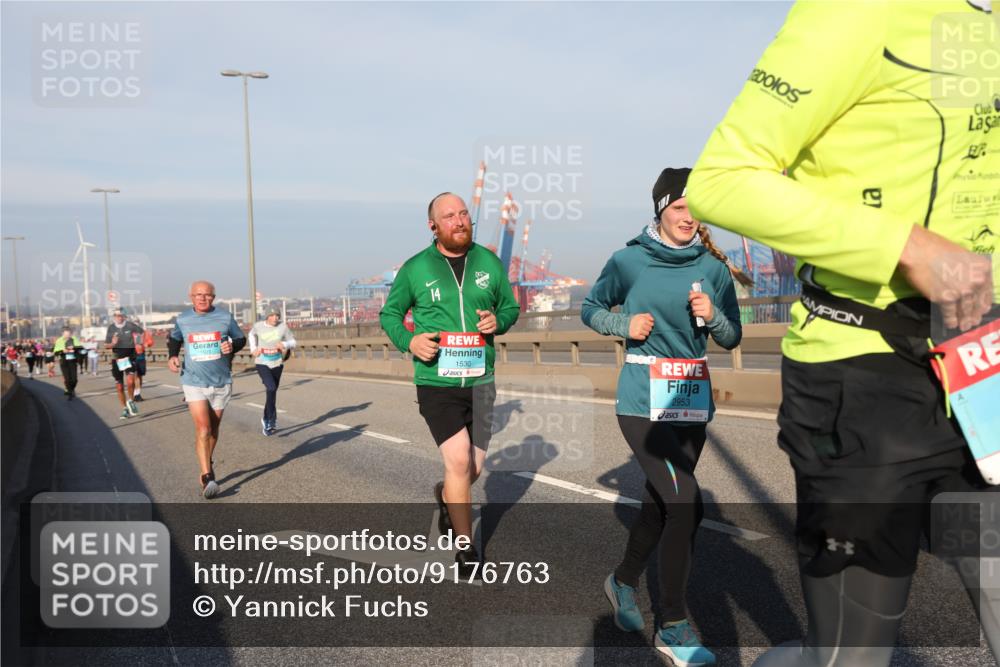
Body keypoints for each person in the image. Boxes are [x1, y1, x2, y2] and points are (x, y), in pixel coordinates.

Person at [686, 2, 998, 665]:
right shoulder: (858, 9)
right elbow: (721, 180)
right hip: (863, 374)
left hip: (984, 363)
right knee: (851, 656)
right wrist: (903, 245)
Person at [582, 168, 746, 666]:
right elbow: (590, 308)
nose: (689, 218)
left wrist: (711, 315)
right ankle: (673, 627)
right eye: (679, 208)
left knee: (664, 505)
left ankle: (622, 581)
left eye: (696, 209)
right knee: (685, 500)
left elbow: (733, 336)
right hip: (642, 400)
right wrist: (622, 324)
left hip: (691, 401)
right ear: (660, 210)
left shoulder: (713, 268)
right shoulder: (629, 261)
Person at [379, 192, 520, 576]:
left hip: (481, 379)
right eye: (450, 216)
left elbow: (510, 306)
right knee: (457, 460)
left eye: (464, 214)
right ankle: (466, 549)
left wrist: (499, 321)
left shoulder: (488, 261)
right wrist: (410, 340)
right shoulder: (415, 268)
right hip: (436, 380)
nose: (459, 221)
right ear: (433, 226)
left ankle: (445, 495)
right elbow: (390, 314)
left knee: (472, 469)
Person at [167, 280, 246, 499]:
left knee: (213, 429)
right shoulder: (183, 319)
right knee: (203, 429)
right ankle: (207, 476)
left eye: (207, 295)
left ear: (214, 297)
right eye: (198, 295)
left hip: (221, 380)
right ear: (191, 296)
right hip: (193, 381)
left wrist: (232, 345)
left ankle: (207, 458)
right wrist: (173, 356)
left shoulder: (224, 317)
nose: (203, 298)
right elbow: (174, 339)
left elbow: (240, 338)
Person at [249, 307, 297, 435]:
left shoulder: (283, 327)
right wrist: (253, 348)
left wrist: (285, 345)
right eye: (272, 315)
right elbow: (251, 335)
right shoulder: (258, 326)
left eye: (277, 315)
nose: (275, 318)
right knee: (270, 388)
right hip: (262, 362)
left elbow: (293, 341)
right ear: (267, 316)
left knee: (273, 391)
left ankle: (268, 418)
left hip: (277, 363)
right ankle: (269, 419)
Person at [105, 308, 144, 420]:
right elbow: (106, 345)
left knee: (130, 382)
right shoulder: (111, 328)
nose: (119, 317)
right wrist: (113, 343)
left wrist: (139, 343)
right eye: (116, 315)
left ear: (124, 316)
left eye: (121, 315)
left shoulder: (131, 325)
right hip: (117, 359)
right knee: (119, 387)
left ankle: (131, 401)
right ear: (114, 317)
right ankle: (124, 409)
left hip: (129, 358)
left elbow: (142, 333)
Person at [53, 328, 83, 400]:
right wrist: (63, 351)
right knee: (67, 379)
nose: (67, 336)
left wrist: (74, 348)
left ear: (71, 334)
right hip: (64, 361)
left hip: (73, 361)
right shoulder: (59, 341)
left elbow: (80, 347)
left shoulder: (74, 339)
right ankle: (70, 392)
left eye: (69, 334)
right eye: (66, 334)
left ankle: (71, 389)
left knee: (74, 379)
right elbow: (56, 352)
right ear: (63, 334)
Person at [131, 324, 153, 401]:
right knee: (134, 376)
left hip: (141, 357)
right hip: (132, 356)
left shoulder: (144, 333)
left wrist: (148, 344)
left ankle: (137, 393)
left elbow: (150, 341)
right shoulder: (129, 333)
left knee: (140, 376)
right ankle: (134, 394)